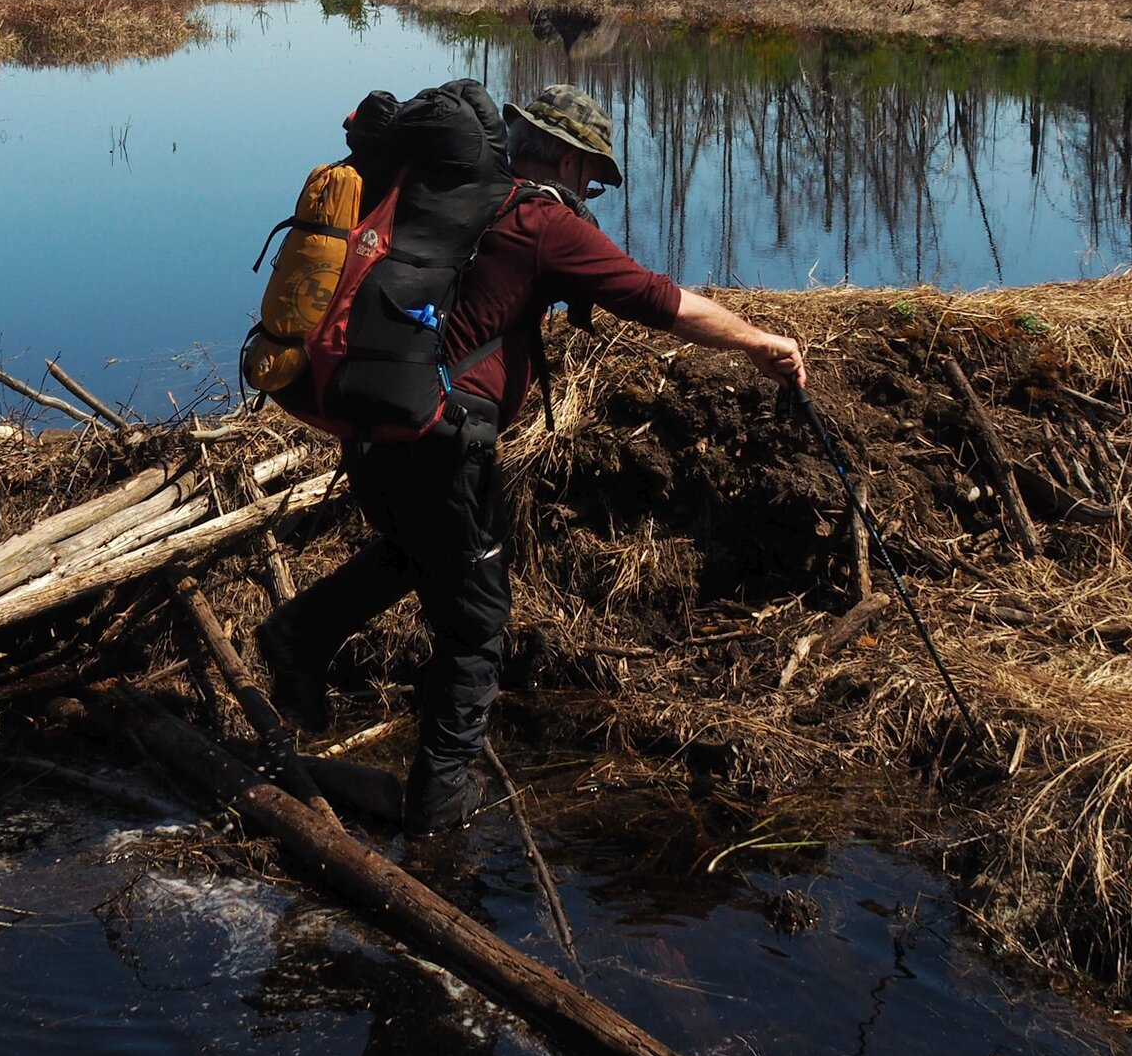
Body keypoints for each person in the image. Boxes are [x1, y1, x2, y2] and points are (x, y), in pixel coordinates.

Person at [256, 83, 806, 836]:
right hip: (438, 447)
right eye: (594, 175)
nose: (593, 190)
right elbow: (659, 299)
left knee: (418, 553)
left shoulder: (449, 191)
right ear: (568, 155)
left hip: (369, 431)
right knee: (478, 623)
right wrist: (760, 341)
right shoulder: (543, 222)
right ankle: (440, 799)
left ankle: (299, 637)